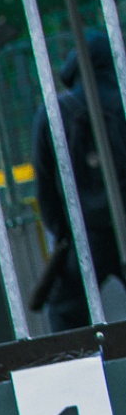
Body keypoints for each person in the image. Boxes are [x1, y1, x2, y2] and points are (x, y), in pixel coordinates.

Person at [34, 35, 126, 332]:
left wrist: (63, 233)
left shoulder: (54, 112)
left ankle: (81, 361)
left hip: (85, 235)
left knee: (66, 313)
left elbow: (45, 185)